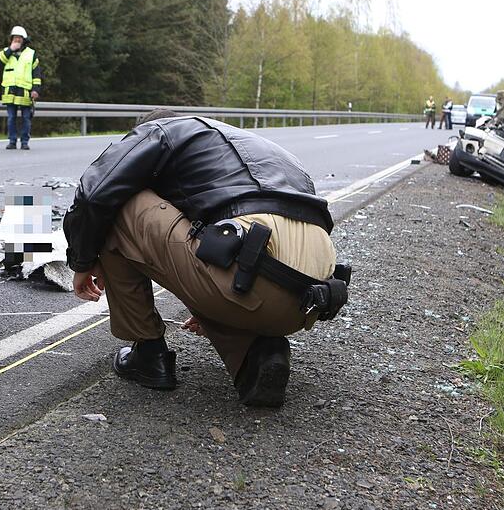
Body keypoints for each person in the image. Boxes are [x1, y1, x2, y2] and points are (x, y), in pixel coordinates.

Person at [62, 110, 349, 407]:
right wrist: (207, 296)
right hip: (311, 298)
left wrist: (82, 261)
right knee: (207, 243)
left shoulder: (160, 131)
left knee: (121, 204)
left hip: (255, 274)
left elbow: (93, 195)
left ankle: (148, 354)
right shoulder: (250, 147)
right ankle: (256, 355)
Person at [0, 25, 43, 150]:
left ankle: (24, 142)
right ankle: (12, 141)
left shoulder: (31, 54)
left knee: (26, 118)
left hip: (25, 91)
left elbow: (37, 73)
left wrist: (36, 89)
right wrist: (10, 50)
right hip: (10, 90)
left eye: (19, 38)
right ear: (11, 39)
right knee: (11, 118)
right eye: (15, 38)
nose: (17, 40)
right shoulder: (6, 52)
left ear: (24, 39)